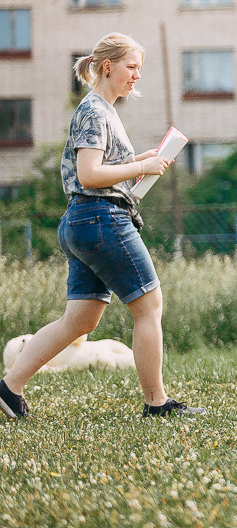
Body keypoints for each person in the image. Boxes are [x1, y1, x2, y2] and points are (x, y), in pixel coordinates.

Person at [0, 33, 204, 420]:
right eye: (131, 67)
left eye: (139, 69)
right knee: (149, 306)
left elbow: (104, 171)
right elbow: (89, 174)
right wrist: (141, 167)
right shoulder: (95, 110)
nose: (136, 76)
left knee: (80, 319)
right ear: (107, 66)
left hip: (82, 221)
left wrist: (141, 159)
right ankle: (157, 403)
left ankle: (8, 388)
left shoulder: (105, 110)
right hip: (100, 218)